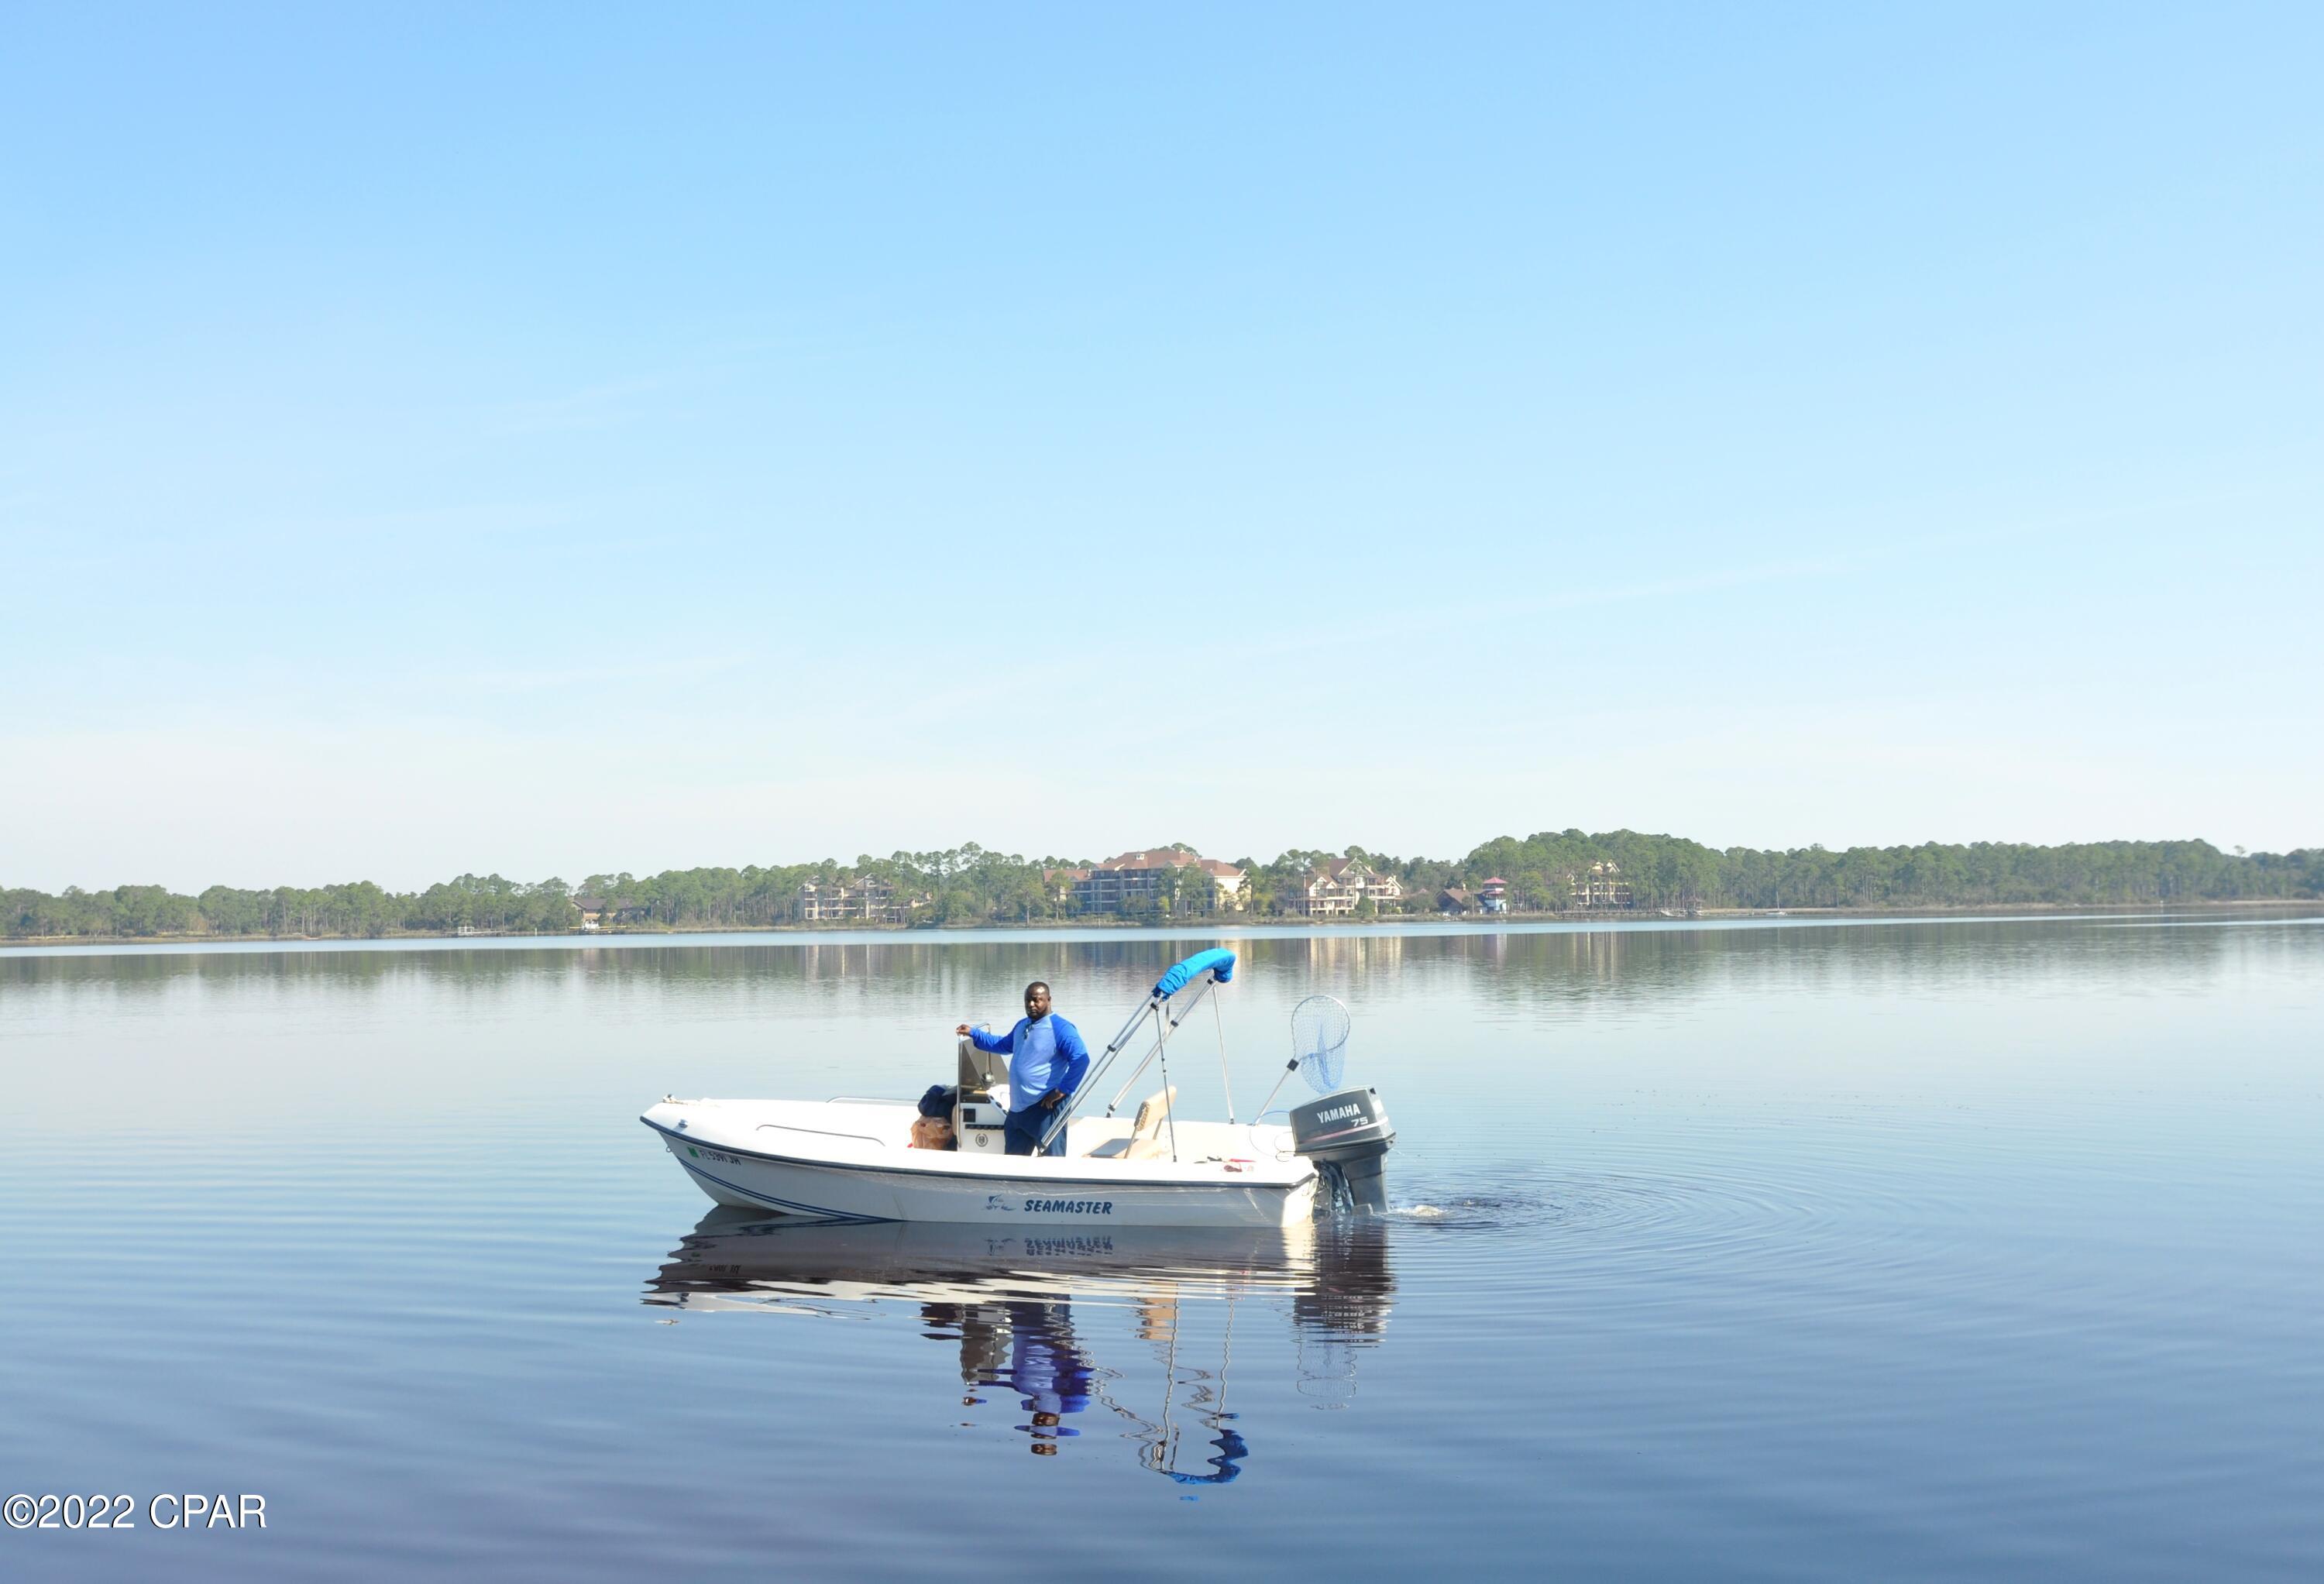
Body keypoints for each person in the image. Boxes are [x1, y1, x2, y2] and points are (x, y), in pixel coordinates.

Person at [955, 981, 1088, 1156]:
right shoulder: (1022, 1025)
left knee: (1053, 1164)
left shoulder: (1062, 1029)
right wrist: (974, 1033)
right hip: (1018, 1110)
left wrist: (1062, 1091)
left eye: (1037, 1000)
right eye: (1027, 1001)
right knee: (1013, 1164)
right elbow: (1002, 1045)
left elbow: (1081, 1060)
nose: (1031, 1004)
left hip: (1045, 1107)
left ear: (1048, 1000)